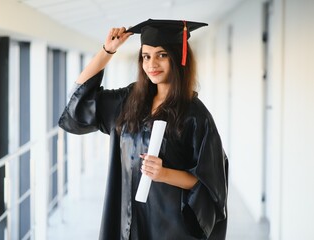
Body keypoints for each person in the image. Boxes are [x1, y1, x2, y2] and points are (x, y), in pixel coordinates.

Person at [59, 19, 228, 240]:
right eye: (146, 56)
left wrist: (165, 173)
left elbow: (210, 184)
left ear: (179, 57)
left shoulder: (196, 115)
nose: (152, 64)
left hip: (168, 226)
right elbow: (79, 105)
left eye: (162, 55)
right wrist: (107, 51)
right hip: (127, 220)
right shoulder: (130, 99)